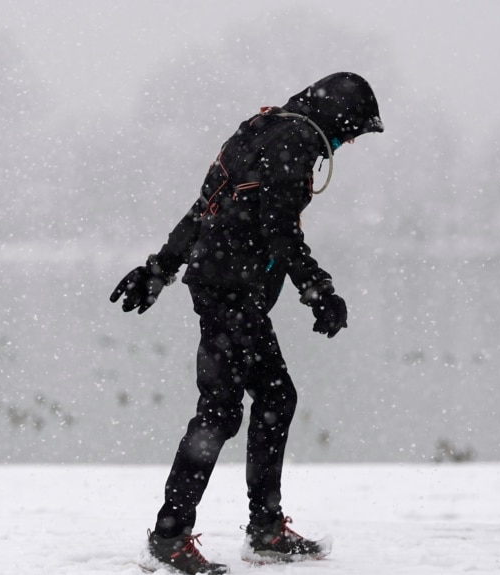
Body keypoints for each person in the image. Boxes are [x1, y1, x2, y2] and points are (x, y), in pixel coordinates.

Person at [109, 72, 384, 575]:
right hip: (231, 291)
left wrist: (161, 268)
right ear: (336, 117)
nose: (342, 145)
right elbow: (277, 228)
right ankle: (177, 535)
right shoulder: (298, 140)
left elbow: (204, 207)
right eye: (348, 134)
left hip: (218, 285)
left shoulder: (257, 129)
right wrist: (318, 290)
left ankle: (262, 528)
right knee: (224, 411)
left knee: (267, 399)